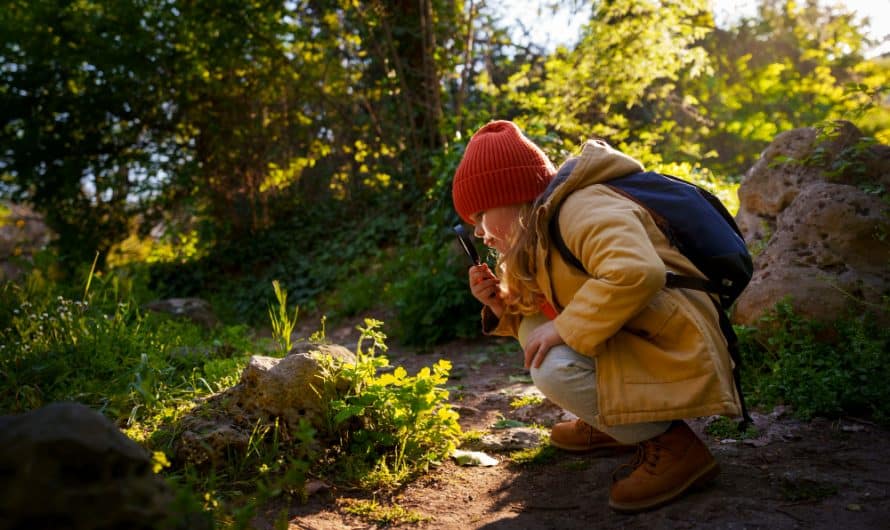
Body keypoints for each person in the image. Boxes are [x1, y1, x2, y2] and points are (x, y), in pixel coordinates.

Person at [451, 120, 743, 513]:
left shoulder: (581, 208)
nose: (481, 233)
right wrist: (501, 303)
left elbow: (637, 272)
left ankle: (675, 449)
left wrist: (565, 327)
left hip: (675, 339)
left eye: (481, 214)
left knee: (553, 367)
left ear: (511, 195)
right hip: (641, 335)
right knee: (540, 335)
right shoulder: (544, 230)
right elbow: (547, 312)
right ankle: (613, 420)